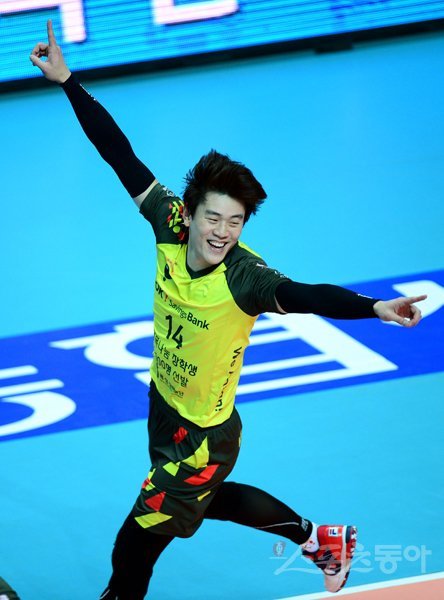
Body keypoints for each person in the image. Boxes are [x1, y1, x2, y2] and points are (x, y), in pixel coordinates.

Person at [30, 20, 426, 599]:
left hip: (202, 436)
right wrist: (68, 81)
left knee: (136, 542)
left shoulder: (246, 279)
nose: (222, 232)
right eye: (213, 217)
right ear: (190, 213)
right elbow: (118, 152)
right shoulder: (168, 221)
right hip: (164, 403)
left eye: (235, 222)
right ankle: (322, 540)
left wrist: (375, 307)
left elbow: (309, 295)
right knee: (206, 501)